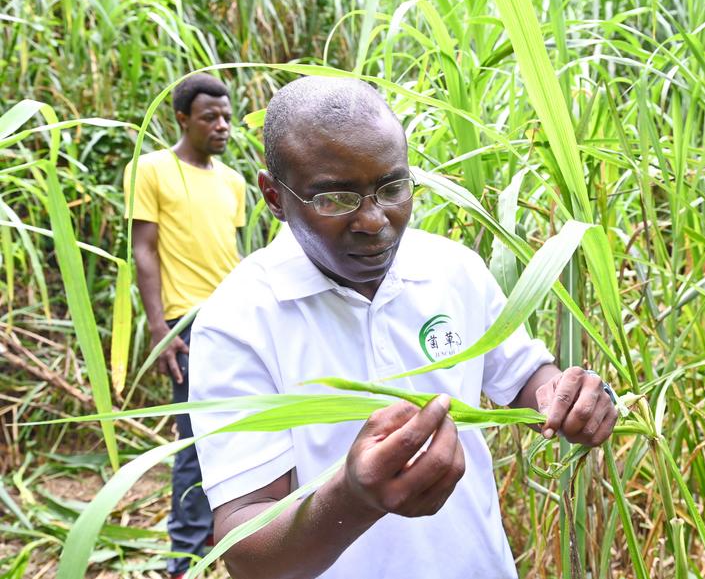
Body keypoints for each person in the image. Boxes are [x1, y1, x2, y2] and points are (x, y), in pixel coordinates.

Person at [187, 76, 617, 579]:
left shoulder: (452, 269)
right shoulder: (238, 320)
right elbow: (245, 550)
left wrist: (571, 396)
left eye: (392, 188)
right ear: (274, 197)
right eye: (334, 199)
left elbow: (524, 378)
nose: (373, 220)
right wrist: (353, 499)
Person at [123, 72, 246, 578]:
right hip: (187, 323)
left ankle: (234, 542)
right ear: (182, 119)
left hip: (236, 318)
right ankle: (186, 563)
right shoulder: (152, 169)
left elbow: (233, 252)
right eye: (209, 117)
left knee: (244, 434)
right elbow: (144, 250)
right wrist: (160, 330)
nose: (221, 126)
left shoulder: (233, 181)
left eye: (226, 117)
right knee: (195, 443)